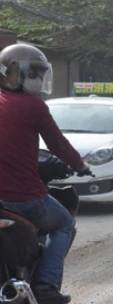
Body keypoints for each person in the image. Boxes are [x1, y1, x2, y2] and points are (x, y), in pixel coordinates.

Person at [0, 44, 91, 304]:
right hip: (24, 197)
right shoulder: (34, 106)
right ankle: (45, 286)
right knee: (63, 224)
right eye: (34, 73)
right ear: (15, 73)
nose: (39, 79)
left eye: (41, 73)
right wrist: (81, 166)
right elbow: (58, 145)